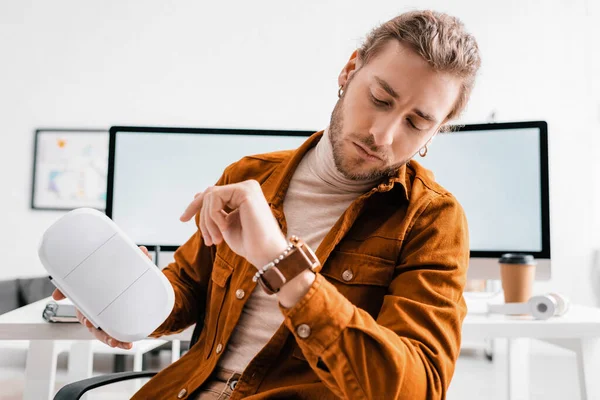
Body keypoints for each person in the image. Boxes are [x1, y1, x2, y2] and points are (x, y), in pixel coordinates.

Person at [54, 9, 481, 399]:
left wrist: (281, 262)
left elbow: (416, 389)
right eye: (380, 100)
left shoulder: (431, 220)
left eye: (416, 122)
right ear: (350, 70)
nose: (383, 135)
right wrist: (123, 299)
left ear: (435, 132)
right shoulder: (248, 176)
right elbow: (185, 289)